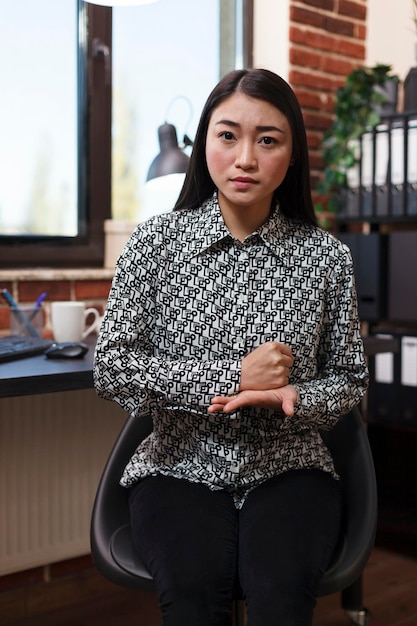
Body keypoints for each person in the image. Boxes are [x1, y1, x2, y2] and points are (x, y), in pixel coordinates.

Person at [94, 68, 369, 626]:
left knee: (281, 600)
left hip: (291, 464)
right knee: (193, 600)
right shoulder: (153, 246)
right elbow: (111, 368)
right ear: (205, 145)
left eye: (268, 139)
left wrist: (293, 395)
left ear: (291, 156)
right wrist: (231, 378)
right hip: (177, 466)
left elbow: (348, 378)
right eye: (227, 135)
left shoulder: (326, 258)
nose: (245, 157)